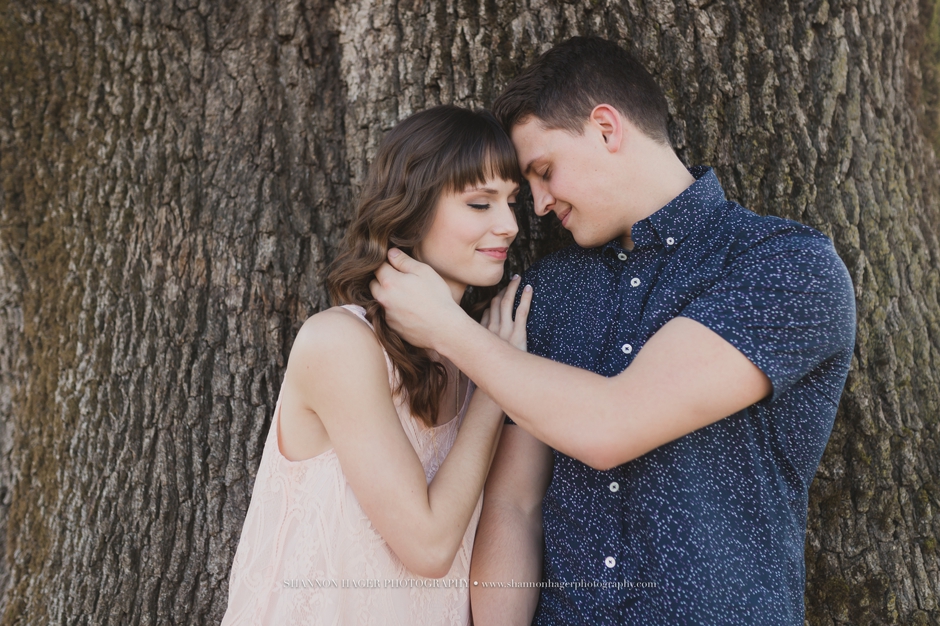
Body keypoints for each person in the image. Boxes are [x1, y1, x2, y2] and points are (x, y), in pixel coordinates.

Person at [369, 37, 857, 625]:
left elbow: (612, 424)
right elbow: (514, 504)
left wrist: (449, 329)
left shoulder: (782, 266)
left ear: (606, 127)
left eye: (544, 173)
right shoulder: (546, 290)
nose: (540, 206)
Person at [220, 105, 533, 625]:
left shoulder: (475, 355)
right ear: (412, 210)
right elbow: (429, 546)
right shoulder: (342, 343)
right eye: (480, 203)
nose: (509, 226)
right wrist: (499, 384)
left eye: (512, 202)